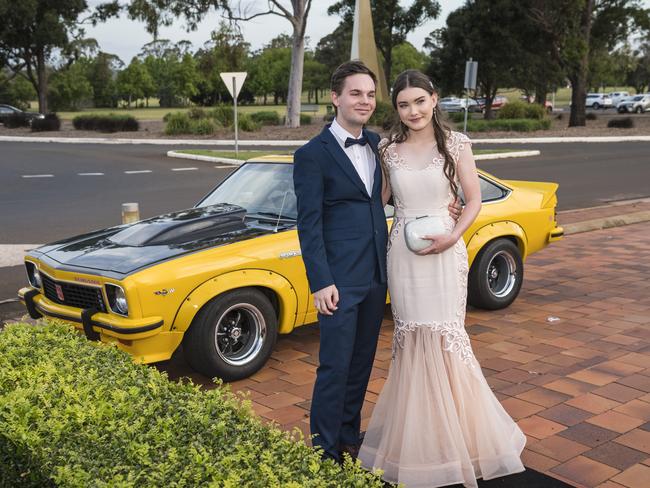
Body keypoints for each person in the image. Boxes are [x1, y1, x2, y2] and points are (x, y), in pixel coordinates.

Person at [357, 69, 526, 487]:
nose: (412, 111)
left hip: (445, 253)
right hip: (404, 257)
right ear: (396, 109)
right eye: (403, 104)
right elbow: (377, 203)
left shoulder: (456, 144)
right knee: (411, 336)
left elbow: (473, 200)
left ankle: (463, 437)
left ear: (434, 99)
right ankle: (421, 437)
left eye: (419, 101)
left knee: (445, 336)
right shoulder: (387, 148)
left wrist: (453, 235)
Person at [293, 61, 460, 463]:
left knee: (362, 362)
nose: (364, 101)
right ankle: (324, 450)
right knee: (334, 365)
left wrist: (443, 209)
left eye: (370, 94)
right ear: (335, 98)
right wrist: (320, 282)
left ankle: (349, 435)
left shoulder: (376, 145)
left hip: (377, 274)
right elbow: (309, 225)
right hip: (337, 281)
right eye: (355, 93)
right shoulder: (311, 155)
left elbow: (392, 197)